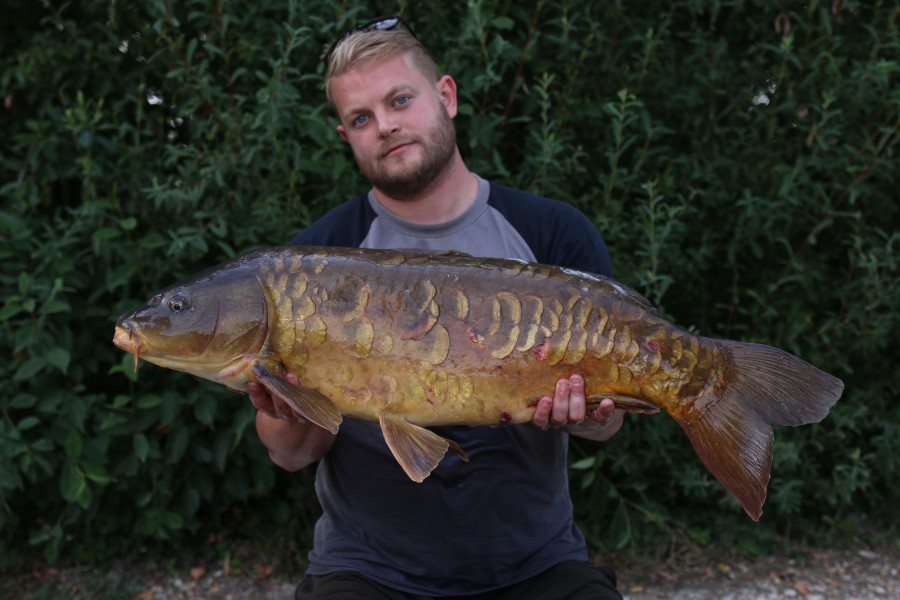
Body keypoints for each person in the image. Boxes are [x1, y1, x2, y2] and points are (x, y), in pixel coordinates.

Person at [248, 15, 625, 600]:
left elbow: (610, 425)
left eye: (400, 100)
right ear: (347, 137)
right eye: (361, 118)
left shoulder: (551, 234)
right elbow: (291, 455)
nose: (386, 127)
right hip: (366, 569)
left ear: (445, 96)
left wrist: (594, 412)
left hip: (534, 562)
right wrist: (289, 408)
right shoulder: (311, 266)